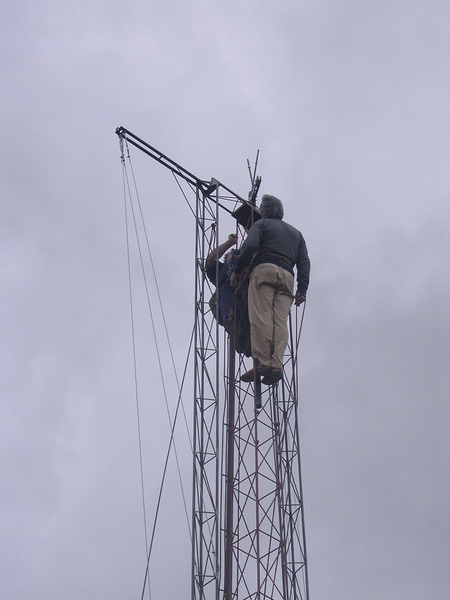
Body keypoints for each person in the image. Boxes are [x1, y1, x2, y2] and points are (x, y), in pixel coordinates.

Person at [230, 195, 310, 384]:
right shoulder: (297, 234)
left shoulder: (262, 224)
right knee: (279, 321)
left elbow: (249, 247)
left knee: (261, 316)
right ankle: (276, 364)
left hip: (265, 269)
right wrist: (302, 289)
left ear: (264, 211)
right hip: (288, 275)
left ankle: (263, 362)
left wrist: (237, 269)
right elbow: (304, 262)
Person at [205, 233, 251, 357]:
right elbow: (210, 259)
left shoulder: (249, 267)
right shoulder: (220, 270)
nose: (236, 255)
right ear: (227, 259)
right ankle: (235, 328)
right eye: (233, 254)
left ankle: (251, 339)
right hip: (228, 294)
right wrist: (229, 243)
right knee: (225, 296)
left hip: (247, 293)